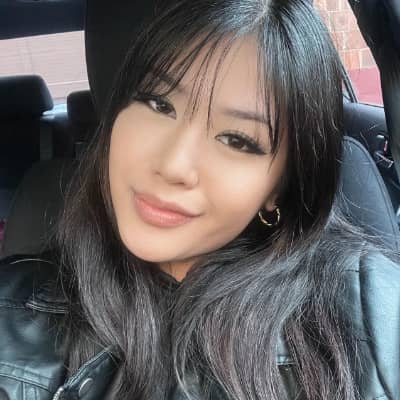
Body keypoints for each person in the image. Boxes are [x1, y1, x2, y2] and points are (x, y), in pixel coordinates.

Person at [0, 0, 399, 399]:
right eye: (159, 104)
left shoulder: (373, 317)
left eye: (237, 140)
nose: (173, 165)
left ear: (278, 188)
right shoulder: (10, 307)